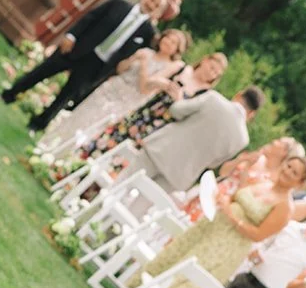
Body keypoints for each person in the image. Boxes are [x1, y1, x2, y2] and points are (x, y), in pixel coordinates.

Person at [140, 146, 306, 288]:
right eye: (289, 166)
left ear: (299, 183)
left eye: (294, 173)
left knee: (187, 276)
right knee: (175, 255)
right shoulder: (265, 182)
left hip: (227, 246)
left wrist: (232, 217)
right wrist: (224, 199)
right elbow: (238, 195)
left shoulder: (285, 207)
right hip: (212, 227)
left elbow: (259, 235)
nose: (288, 171)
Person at [1, 0, 171, 132]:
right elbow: (90, 17)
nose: (151, 4)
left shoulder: (148, 33)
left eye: (157, 5)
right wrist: (71, 36)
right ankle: (10, 94)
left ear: (158, 12)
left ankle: (38, 124)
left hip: (98, 65)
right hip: (78, 47)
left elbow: (137, 57)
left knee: (65, 96)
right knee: (42, 71)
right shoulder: (118, 4)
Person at [39, 29, 190, 154]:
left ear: (177, 49)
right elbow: (120, 69)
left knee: (93, 127)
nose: (168, 42)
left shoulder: (172, 66)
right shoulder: (145, 52)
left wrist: (143, 64)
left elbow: (144, 88)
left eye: (173, 42)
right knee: (80, 114)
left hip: (127, 100)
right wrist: (133, 59)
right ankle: (47, 144)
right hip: (113, 88)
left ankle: (62, 154)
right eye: (167, 38)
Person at [86, 52, 228, 163]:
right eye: (212, 67)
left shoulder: (206, 94)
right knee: (110, 138)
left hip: (158, 129)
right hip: (144, 114)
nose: (212, 73)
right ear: (205, 61)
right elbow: (148, 84)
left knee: (124, 157)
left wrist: (179, 100)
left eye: (216, 73)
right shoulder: (181, 68)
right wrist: (165, 84)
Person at [127, 83, 263, 196]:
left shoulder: (214, 99)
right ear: (252, 114)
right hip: (180, 176)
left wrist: (179, 99)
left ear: (239, 94)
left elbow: (176, 111)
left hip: (161, 150)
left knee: (123, 184)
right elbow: (213, 164)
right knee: (139, 207)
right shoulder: (242, 139)